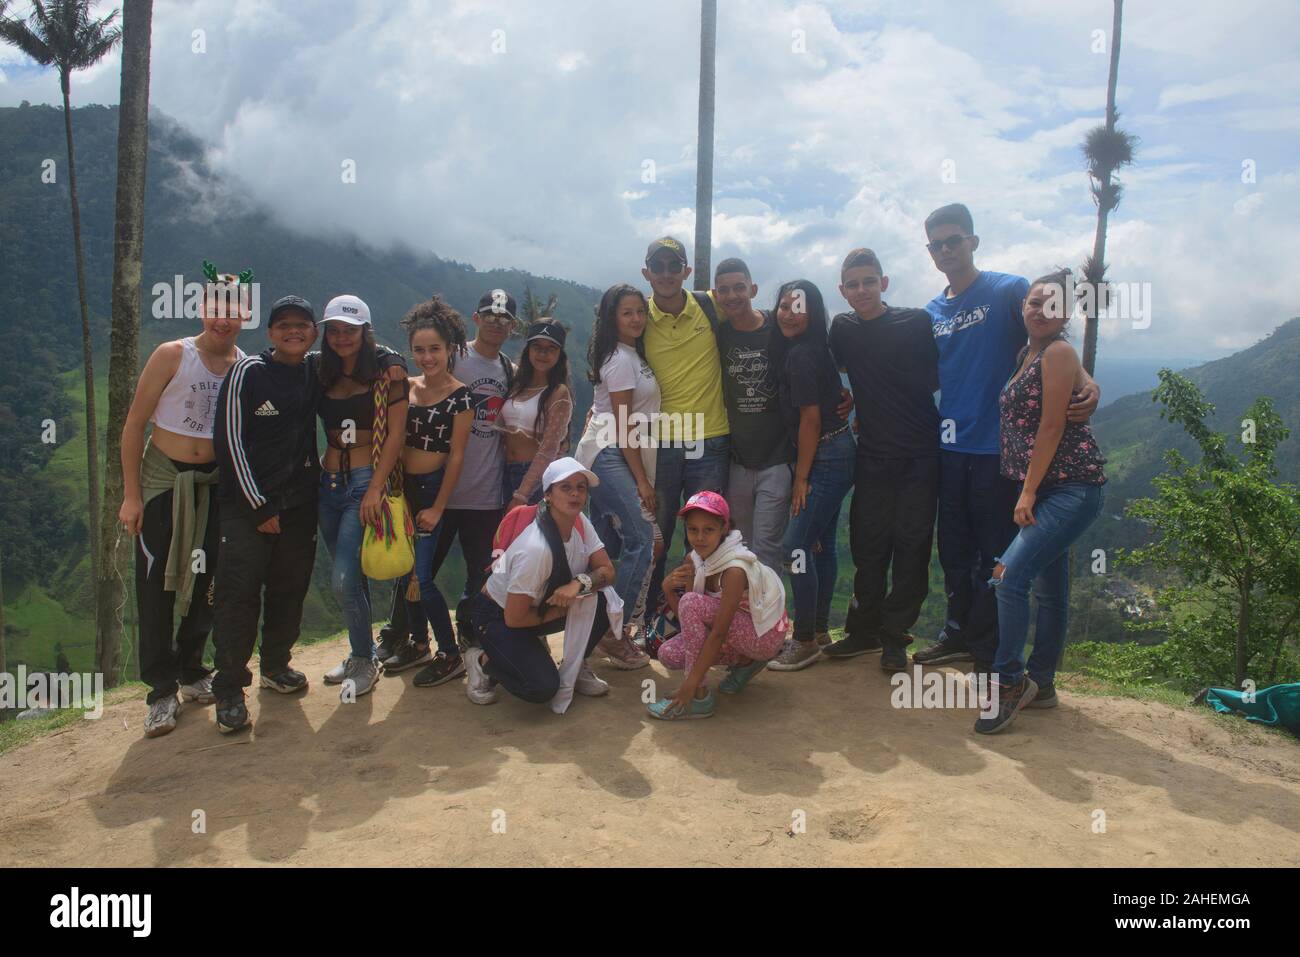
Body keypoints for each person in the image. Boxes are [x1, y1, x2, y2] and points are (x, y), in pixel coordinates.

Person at [915, 204, 1100, 675]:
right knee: (953, 548)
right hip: (950, 446)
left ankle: (988, 647)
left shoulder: (1009, 290)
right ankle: (957, 632)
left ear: (973, 241)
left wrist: (1088, 379)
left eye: (953, 240)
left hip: (1000, 453)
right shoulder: (932, 311)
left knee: (994, 554)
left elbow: (1051, 341)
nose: (945, 250)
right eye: (936, 244)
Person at [210, 296, 406, 734]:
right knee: (239, 592)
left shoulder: (346, 370)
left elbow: (393, 423)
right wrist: (256, 504)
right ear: (271, 331)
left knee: (299, 584)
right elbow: (228, 441)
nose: (295, 332)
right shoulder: (268, 371)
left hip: (318, 494)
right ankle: (229, 688)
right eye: (285, 325)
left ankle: (285, 664)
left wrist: (394, 355)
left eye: (303, 325)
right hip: (272, 499)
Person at [118, 262, 247, 737]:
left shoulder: (242, 366)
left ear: (244, 315)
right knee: (156, 584)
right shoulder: (173, 355)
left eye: (233, 311)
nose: (224, 319)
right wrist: (132, 495)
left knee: (207, 581)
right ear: (202, 308)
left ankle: (192, 670)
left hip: (213, 486)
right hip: (162, 482)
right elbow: (134, 426)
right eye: (216, 308)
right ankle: (160, 690)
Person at [977, 269, 1107, 734]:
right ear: (1023, 307)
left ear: (1066, 313)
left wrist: (1028, 491)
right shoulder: (1027, 353)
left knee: (1007, 579)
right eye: (1034, 302)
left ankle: (1009, 682)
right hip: (1047, 487)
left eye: (1051, 305)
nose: (1039, 310)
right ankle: (1044, 684)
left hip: (1069, 487)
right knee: (1051, 592)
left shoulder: (1058, 351)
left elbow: (1052, 426)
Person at [379, 289, 517, 663]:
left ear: (512, 326)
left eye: (503, 318)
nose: (495, 323)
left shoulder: (509, 370)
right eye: (489, 315)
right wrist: (391, 357)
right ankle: (403, 636)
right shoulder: (453, 355)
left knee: (478, 573)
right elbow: (419, 368)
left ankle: (467, 635)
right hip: (436, 486)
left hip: (483, 490)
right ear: (475, 318)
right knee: (414, 572)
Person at [823, 249, 939, 673]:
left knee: (911, 546)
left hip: (920, 453)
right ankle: (863, 631)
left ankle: (895, 637)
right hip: (871, 452)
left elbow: (937, 375)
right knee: (867, 546)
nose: (861, 290)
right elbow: (827, 369)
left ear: (883, 283)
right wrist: (844, 397)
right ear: (842, 290)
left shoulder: (915, 323)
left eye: (868, 281)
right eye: (852, 284)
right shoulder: (843, 329)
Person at [465, 458, 620, 710]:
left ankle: (575, 664)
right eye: (565, 487)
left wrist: (579, 583)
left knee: (602, 600)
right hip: (497, 615)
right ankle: (482, 660)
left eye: (581, 487)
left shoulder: (579, 522)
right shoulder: (535, 550)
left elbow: (607, 571)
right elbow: (514, 619)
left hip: (536, 607)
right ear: (547, 494)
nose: (575, 494)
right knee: (542, 687)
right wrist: (560, 611)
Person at [315, 295, 409, 700]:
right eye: (334, 330)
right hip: (329, 480)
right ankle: (363, 651)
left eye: (349, 330)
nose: (341, 338)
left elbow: (397, 433)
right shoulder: (321, 368)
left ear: (365, 331)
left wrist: (375, 488)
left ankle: (363, 659)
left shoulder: (389, 368)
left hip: (365, 480)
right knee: (352, 575)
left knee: (342, 580)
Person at [377, 297, 474, 686]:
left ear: (450, 348)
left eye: (435, 349)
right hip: (403, 489)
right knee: (405, 570)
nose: (427, 357)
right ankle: (418, 643)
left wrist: (438, 507)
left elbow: (456, 457)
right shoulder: (406, 387)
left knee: (424, 576)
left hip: (433, 488)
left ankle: (449, 653)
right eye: (420, 350)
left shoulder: (460, 395)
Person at [767, 280, 856, 672]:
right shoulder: (812, 348)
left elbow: (810, 419)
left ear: (814, 312)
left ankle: (803, 639)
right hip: (838, 450)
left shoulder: (802, 355)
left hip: (825, 457)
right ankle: (818, 631)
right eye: (783, 305)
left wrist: (802, 478)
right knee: (821, 545)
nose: (787, 313)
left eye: (797, 307)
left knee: (796, 547)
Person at [639, 237, 731, 616]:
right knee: (655, 534)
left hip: (709, 438)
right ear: (646, 273)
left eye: (673, 266)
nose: (665, 273)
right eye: (657, 266)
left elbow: (759, 327)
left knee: (705, 536)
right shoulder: (637, 317)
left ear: (686, 272)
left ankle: (696, 614)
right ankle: (648, 616)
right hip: (660, 443)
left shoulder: (711, 306)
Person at [576, 284, 662, 668]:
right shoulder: (620, 359)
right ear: (613, 318)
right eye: (627, 313)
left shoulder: (630, 353)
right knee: (642, 536)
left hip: (612, 450)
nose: (636, 319)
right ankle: (615, 632)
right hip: (609, 452)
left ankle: (591, 631)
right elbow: (624, 423)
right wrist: (642, 481)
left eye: (640, 311)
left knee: (605, 545)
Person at [647, 492, 789, 720]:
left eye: (708, 530)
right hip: (737, 629)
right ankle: (744, 661)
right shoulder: (695, 560)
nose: (699, 537)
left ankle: (699, 696)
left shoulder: (734, 570)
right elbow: (690, 624)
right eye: (693, 529)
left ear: (724, 528)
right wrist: (667, 589)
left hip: (765, 635)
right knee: (668, 654)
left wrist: (690, 684)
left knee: (693, 602)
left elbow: (718, 630)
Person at [712, 258, 793, 574]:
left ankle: (769, 620)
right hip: (737, 461)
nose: (732, 296)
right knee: (740, 546)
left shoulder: (779, 327)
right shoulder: (718, 335)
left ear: (753, 289)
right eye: (724, 290)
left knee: (767, 549)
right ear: (717, 296)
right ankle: (743, 618)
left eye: (739, 288)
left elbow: (811, 359)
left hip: (778, 458)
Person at [499, 320, 573, 508]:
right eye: (537, 347)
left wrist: (522, 494)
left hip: (534, 479)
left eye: (551, 348)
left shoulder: (558, 393)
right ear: (528, 350)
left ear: (560, 354)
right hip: (504, 472)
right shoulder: (517, 385)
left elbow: (549, 449)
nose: (543, 353)